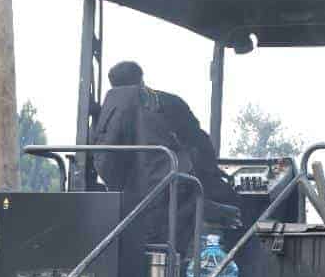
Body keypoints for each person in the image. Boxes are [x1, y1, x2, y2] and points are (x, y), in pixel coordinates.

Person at [92, 60, 239, 253]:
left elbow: (104, 164)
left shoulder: (105, 114)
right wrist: (211, 173)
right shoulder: (168, 103)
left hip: (126, 206)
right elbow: (200, 144)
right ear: (141, 80)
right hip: (169, 199)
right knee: (235, 206)